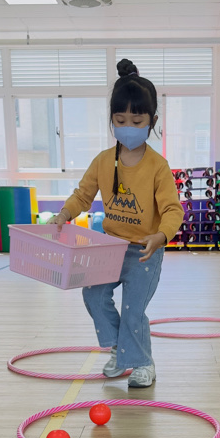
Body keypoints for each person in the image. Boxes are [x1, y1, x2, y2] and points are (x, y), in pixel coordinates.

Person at [49, 59, 183, 388]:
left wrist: (161, 236)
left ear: (151, 121)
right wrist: (64, 214)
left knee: (133, 309)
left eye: (136, 121)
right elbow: (82, 195)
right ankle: (119, 350)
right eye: (120, 120)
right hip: (110, 247)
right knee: (93, 296)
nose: (128, 127)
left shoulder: (158, 166)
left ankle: (142, 362)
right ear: (112, 120)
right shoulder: (103, 161)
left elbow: (172, 209)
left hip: (144, 251)